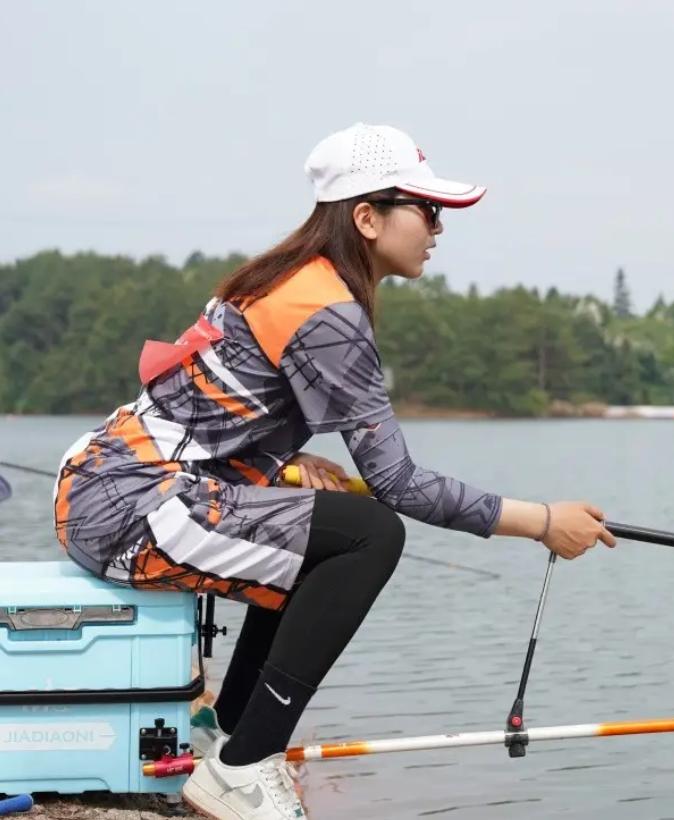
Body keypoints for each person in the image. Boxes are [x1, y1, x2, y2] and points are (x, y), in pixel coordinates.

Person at [54, 122, 616, 820]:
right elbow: (398, 484)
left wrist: (283, 463)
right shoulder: (326, 311)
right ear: (367, 217)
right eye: (427, 210)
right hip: (129, 509)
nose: (438, 228)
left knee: (335, 531)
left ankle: (225, 733)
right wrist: (541, 521)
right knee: (369, 535)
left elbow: (199, 414)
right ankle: (241, 766)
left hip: (102, 486)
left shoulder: (291, 282)